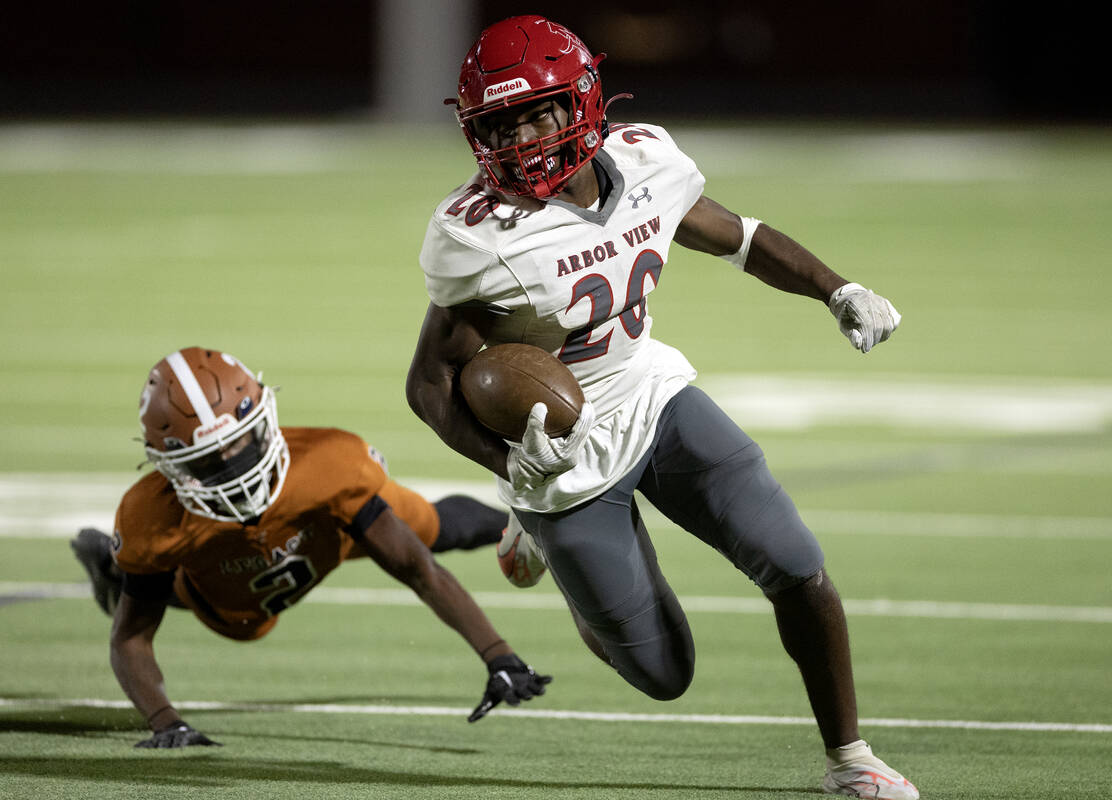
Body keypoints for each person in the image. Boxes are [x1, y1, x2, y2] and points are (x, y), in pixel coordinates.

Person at [405, 15, 917, 799]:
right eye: (499, 125)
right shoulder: (481, 237)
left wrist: (835, 288)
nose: (518, 141)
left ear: (581, 101)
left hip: (651, 393)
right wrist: (511, 463)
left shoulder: (647, 161)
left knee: (795, 562)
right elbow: (429, 383)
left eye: (535, 114)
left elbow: (740, 237)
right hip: (564, 455)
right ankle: (536, 528)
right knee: (664, 673)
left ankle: (851, 760)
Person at [71, 346, 550, 748]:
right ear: (171, 465)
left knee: (428, 525)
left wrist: (499, 656)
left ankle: (529, 522)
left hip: (327, 530)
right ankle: (115, 572)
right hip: (225, 578)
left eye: (240, 443)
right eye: (209, 461)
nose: (236, 470)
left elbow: (419, 570)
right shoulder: (152, 517)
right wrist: (166, 723)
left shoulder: (327, 466)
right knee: (227, 612)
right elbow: (130, 638)